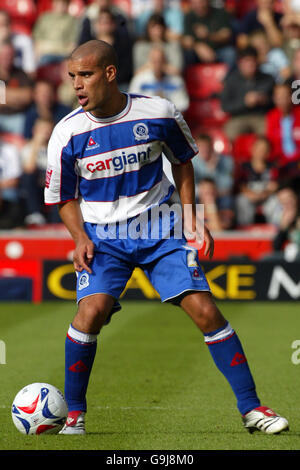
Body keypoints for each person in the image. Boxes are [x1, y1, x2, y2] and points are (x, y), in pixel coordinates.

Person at [44, 39, 289, 435]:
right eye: (73, 77)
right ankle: (74, 414)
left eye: (85, 75)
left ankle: (252, 409)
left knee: (206, 311)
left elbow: (183, 164)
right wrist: (78, 237)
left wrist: (193, 218)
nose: (77, 85)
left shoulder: (158, 112)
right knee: (90, 313)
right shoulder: (66, 134)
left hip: (160, 228)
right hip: (104, 237)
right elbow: (63, 198)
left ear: (109, 73)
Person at [221, 46, 275, 141]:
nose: (251, 64)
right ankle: (236, 155)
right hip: (238, 118)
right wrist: (244, 102)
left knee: (269, 131)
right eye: (247, 61)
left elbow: (277, 101)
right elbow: (225, 106)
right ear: (239, 63)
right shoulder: (231, 81)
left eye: (253, 61)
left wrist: (264, 100)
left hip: (261, 117)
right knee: (230, 131)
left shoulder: (268, 79)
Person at [128, 45, 189, 113]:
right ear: (149, 61)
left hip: (170, 118)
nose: (157, 65)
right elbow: (133, 104)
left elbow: (182, 106)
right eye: (154, 61)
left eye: (160, 61)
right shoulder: (140, 79)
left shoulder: (175, 80)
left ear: (165, 61)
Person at [235, 136, 279, 226]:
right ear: (252, 149)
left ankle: (275, 228)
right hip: (250, 195)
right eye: (259, 148)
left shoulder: (273, 167)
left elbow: (274, 186)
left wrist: (264, 194)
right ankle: (244, 228)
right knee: (241, 200)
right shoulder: (243, 167)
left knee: (276, 201)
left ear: (268, 152)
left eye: (264, 150)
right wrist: (251, 194)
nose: (261, 152)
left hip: (266, 196)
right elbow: (240, 185)